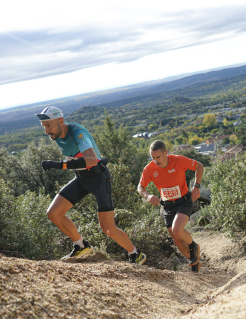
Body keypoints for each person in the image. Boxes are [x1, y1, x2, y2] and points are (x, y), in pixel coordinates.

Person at [36, 106, 146, 265]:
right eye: (44, 127)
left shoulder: (77, 133)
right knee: (53, 213)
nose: (46, 131)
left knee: (108, 228)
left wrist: (58, 165)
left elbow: (91, 160)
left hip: (99, 179)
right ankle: (81, 246)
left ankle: (136, 254)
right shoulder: (57, 135)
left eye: (49, 126)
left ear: (61, 120)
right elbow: (80, 161)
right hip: (81, 178)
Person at [137, 140, 204, 273]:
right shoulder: (149, 169)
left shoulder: (178, 160)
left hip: (183, 201)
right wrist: (148, 196)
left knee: (177, 229)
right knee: (177, 241)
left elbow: (200, 166)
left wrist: (196, 187)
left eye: (158, 157)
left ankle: (193, 246)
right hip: (167, 206)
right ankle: (195, 260)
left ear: (165, 153)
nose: (155, 161)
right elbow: (140, 187)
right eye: (153, 158)